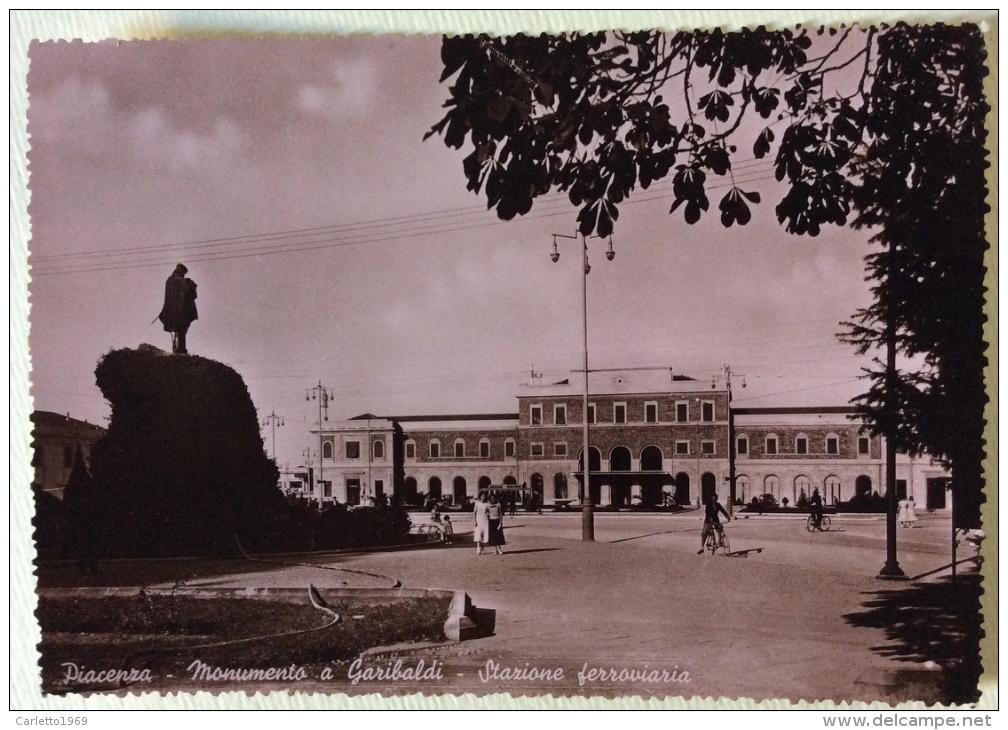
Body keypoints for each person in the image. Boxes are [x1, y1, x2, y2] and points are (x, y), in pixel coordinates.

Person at [156, 263, 198, 355]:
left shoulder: (171, 281)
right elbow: (190, 292)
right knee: (181, 330)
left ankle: (181, 348)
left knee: (181, 330)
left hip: (177, 311)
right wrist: (189, 282)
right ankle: (181, 349)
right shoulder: (175, 281)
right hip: (179, 311)